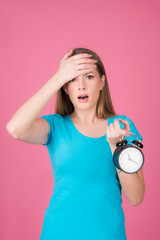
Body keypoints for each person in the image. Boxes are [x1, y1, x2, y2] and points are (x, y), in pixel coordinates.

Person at [6, 47, 145, 240]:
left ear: (102, 82)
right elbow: (15, 128)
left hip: (108, 235)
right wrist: (58, 77)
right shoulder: (55, 125)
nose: (81, 85)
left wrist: (116, 148)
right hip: (57, 233)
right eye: (72, 78)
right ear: (65, 87)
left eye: (88, 77)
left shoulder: (122, 127)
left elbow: (136, 197)